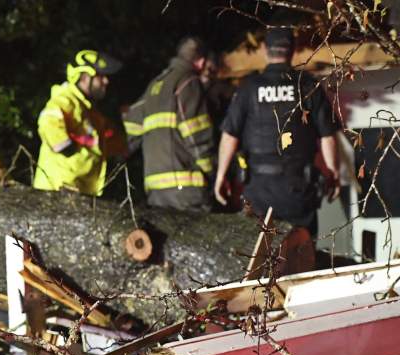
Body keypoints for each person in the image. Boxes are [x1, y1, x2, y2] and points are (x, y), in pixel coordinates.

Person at [213, 27, 341, 233]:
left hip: (258, 190)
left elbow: (229, 136)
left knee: (258, 255)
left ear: (265, 49)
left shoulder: (249, 87)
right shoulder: (307, 85)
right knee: (301, 252)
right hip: (299, 190)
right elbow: (328, 136)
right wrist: (334, 174)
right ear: (293, 50)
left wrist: (221, 176)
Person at [124, 36, 216, 210]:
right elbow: (197, 135)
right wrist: (211, 172)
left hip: (155, 189)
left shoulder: (155, 84)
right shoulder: (188, 82)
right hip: (186, 189)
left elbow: (130, 129)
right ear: (201, 62)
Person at [33, 49, 124, 196]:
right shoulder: (65, 99)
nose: (106, 81)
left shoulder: (90, 111)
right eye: (100, 76)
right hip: (59, 188)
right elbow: (48, 120)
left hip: (80, 190)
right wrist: (64, 145)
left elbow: (104, 142)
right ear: (85, 77)